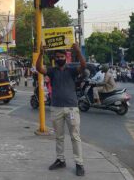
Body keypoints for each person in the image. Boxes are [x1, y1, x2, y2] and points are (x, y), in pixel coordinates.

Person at [36, 44, 86, 176]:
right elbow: (38, 68)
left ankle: (79, 163)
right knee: (59, 137)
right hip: (56, 108)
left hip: (71, 108)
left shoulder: (72, 70)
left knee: (75, 137)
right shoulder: (52, 71)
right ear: (55, 58)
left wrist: (78, 52)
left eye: (62, 56)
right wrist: (41, 53)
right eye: (57, 57)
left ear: (66, 58)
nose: (59, 58)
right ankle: (60, 160)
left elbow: (83, 66)